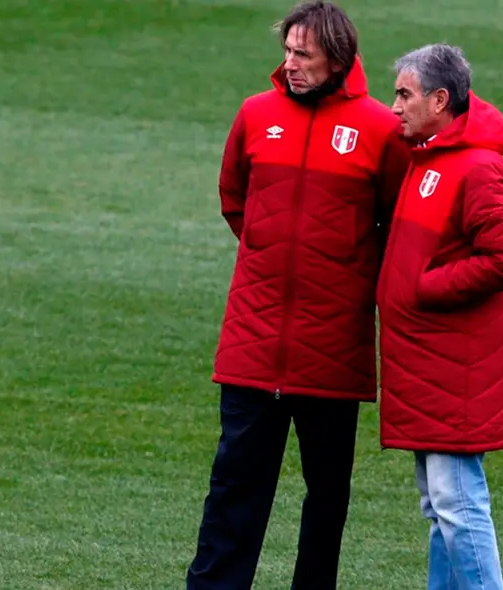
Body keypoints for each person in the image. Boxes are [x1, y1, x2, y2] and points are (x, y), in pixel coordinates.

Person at [185, 2, 412, 589]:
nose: (289, 64)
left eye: (302, 55)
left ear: (337, 59)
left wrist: (336, 272)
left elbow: (395, 219)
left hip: (333, 346)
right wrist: (274, 257)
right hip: (253, 342)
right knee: (234, 485)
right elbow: (235, 199)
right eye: (287, 51)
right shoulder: (255, 115)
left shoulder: (381, 130)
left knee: (328, 494)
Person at [377, 43, 503, 590]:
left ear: (440, 100)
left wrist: (427, 287)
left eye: (404, 94)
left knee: (458, 503)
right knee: (440, 504)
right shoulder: (429, 159)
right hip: (429, 365)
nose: (393, 106)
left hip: (453, 368)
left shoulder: (477, 167)